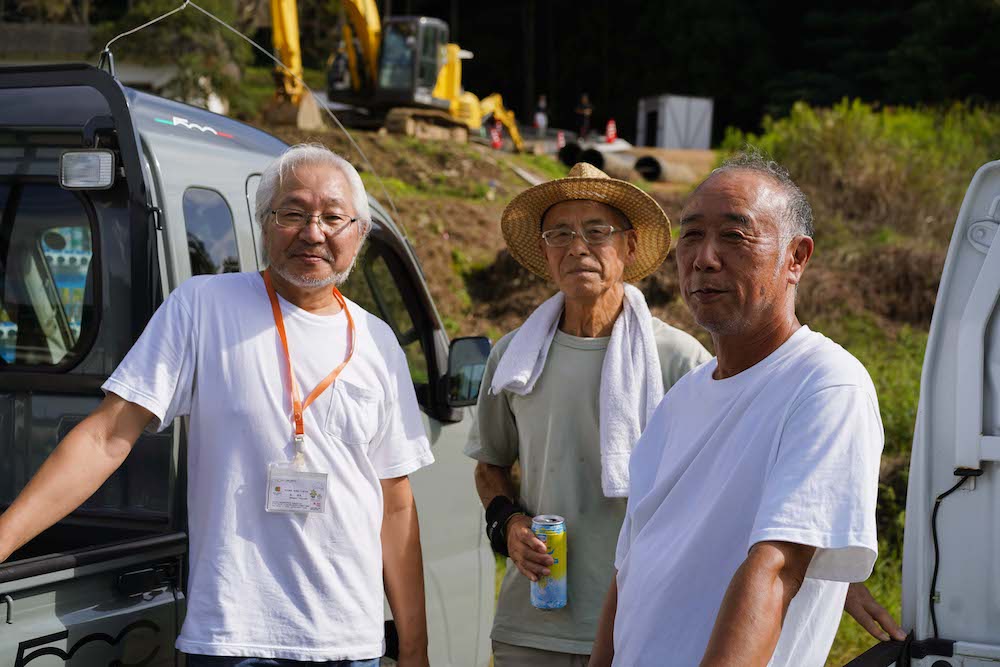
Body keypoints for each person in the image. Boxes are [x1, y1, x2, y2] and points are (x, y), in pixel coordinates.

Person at [0, 144, 434, 667]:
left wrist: (415, 650)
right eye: (292, 213)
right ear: (264, 224)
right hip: (232, 639)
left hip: (349, 645)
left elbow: (396, 503)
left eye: (332, 217)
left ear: (358, 234)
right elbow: (106, 436)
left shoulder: (378, 341)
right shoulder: (202, 306)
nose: (313, 232)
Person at [590, 151, 901, 667]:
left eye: (735, 236)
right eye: (690, 235)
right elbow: (631, 570)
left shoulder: (825, 387)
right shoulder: (679, 402)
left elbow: (777, 569)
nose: (705, 258)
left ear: (795, 258)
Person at [466, 162, 714, 667]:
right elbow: (490, 466)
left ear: (628, 246)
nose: (577, 246)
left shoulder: (680, 360)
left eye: (596, 231)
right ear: (545, 252)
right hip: (534, 624)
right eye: (560, 233)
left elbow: (713, 488)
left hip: (642, 623)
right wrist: (509, 523)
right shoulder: (514, 358)